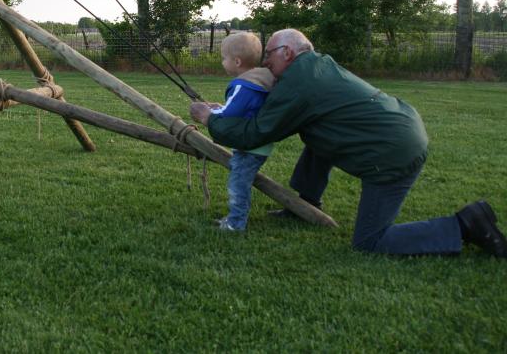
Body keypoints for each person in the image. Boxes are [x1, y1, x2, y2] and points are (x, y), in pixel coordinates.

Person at [190, 28, 507, 257]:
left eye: (269, 54)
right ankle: (307, 203)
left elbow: (257, 133)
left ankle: (464, 225)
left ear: (288, 52)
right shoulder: (318, 65)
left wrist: (210, 119)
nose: (265, 61)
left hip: (393, 153)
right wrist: (226, 110)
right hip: (402, 128)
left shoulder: (297, 83)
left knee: (371, 241)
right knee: (317, 135)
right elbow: (276, 116)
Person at [209, 32, 276, 232]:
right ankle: (235, 218)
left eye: (224, 58)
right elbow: (245, 110)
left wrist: (211, 111)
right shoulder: (261, 79)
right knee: (242, 180)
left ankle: (235, 223)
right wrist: (220, 107)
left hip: (250, 146)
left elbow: (231, 111)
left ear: (237, 61)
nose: (222, 62)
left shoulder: (243, 85)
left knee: (238, 184)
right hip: (260, 143)